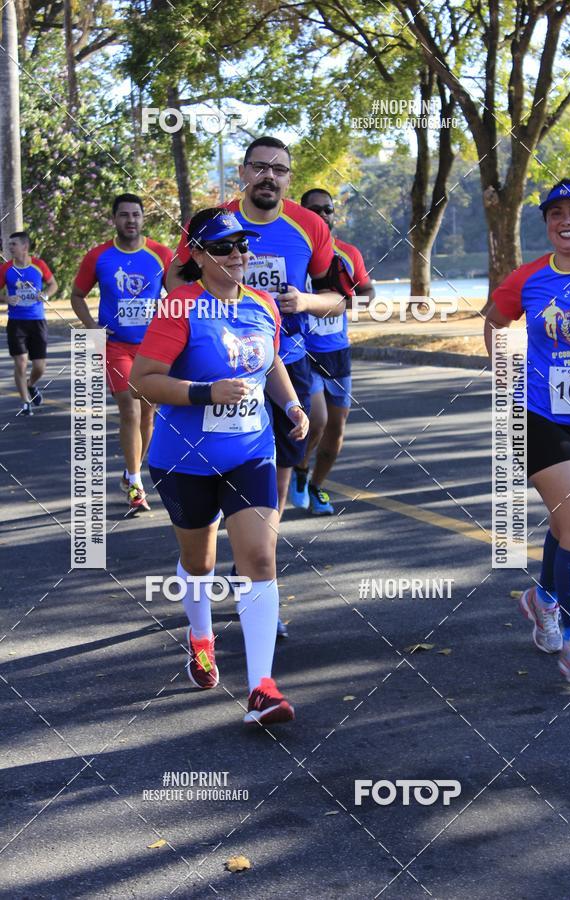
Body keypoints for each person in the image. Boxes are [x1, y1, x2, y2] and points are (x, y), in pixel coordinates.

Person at [131, 208, 309, 725]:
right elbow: (144, 379)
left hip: (251, 450)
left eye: (243, 246)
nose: (238, 255)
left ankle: (261, 688)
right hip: (183, 458)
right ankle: (202, 636)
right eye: (225, 247)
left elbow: (271, 360)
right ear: (199, 256)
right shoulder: (179, 308)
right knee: (202, 564)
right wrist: (205, 392)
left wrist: (292, 405)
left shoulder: (260, 305)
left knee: (259, 558)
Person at [166, 137, 344, 636]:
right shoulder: (211, 222)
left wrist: (304, 303)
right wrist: (211, 320)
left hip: (282, 361)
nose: (269, 176)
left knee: (280, 478)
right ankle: (223, 558)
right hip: (215, 370)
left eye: (279, 170)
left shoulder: (309, 226)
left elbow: (341, 299)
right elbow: (175, 283)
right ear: (243, 172)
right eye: (259, 167)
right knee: (208, 486)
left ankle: (256, 573)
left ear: (289, 178)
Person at [485, 178, 570, 684]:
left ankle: (543, 598)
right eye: (556, 213)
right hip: (538, 415)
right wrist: (506, 381)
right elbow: (494, 322)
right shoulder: (528, 279)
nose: (566, 221)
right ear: (548, 224)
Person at [71, 193, 173, 513]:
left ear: (143, 219)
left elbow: (181, 294)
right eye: (124, 215)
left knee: (147, 413)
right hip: (115, 347)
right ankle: (137, 483)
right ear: (113, 220)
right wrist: (92, 327)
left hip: (153, 347)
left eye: (136, 215)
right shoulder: (99, 256)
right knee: (129, 407)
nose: (131, 220)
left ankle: (131, 473)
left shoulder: (160, 254)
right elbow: (77, 295)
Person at [290, 188, 375, 514]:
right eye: (315, 210)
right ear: (304, 213)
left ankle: (315, 486)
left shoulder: (348, 253)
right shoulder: (297, 251)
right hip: (303, 350)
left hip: (337, 352)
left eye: (328, 209)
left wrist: (345, 301)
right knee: (318, 419)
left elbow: (367, 291)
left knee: (336, 431)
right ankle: (298, 468)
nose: (323, 215)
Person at [0, 231, 58, 415]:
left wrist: (46, 295)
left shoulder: (39, 265)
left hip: (37, 321)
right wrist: (6, 299)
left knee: (40, 366)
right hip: (16, 322)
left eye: (13, 244)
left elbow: (53, 284)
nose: (10, 248)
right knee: (21, 362)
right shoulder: (6, 269)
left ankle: (30, 385)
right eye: (9, 245)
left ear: (25, 247)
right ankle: (26, 402)